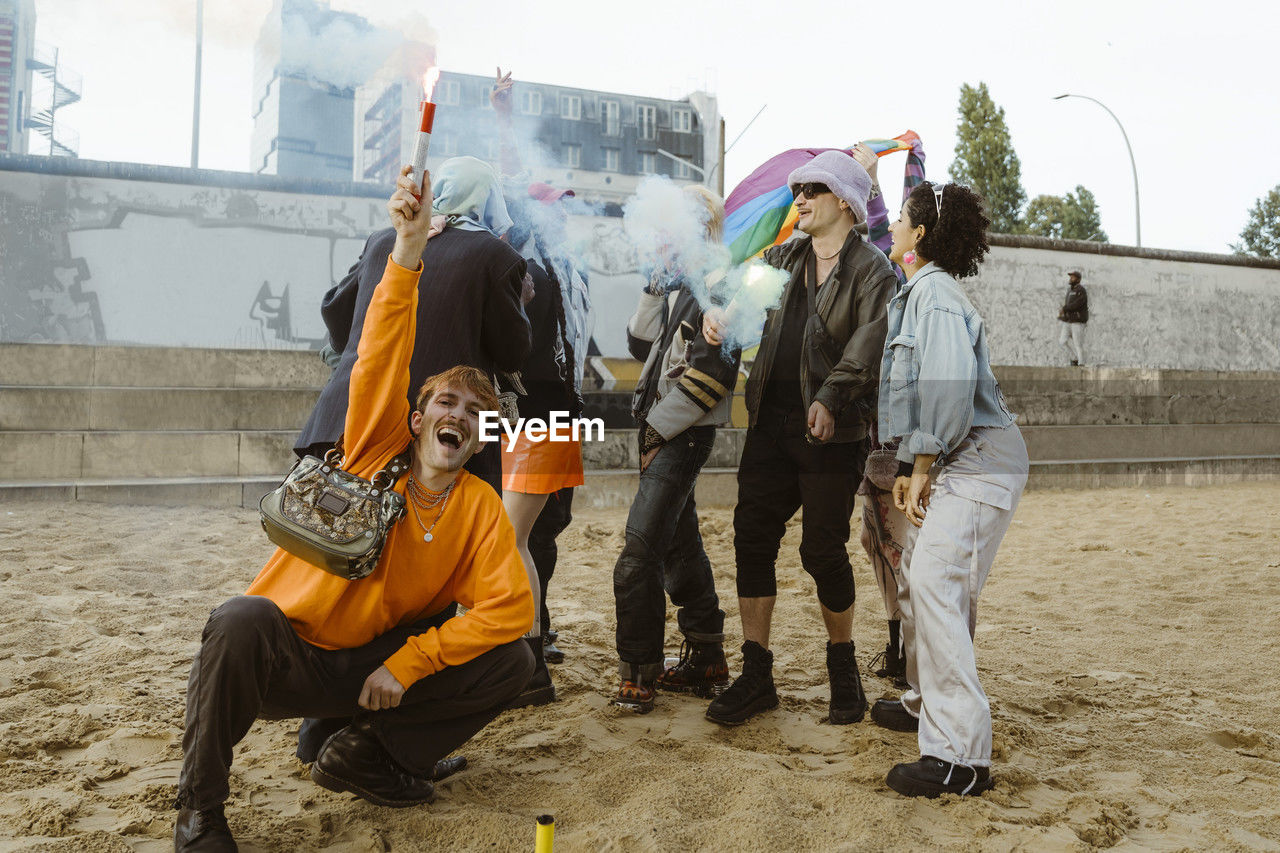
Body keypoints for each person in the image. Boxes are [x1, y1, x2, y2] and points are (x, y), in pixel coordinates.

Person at [174, 168, 535, 851]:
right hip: (294, 655)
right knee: (237, 618)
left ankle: (368, 749)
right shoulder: (373, 445)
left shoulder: (480, 505)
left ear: (483, 434)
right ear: (418, 415)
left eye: (474, 411)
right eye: (445, 404)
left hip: (371, 669)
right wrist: (406, 247)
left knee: (511, 659)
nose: (457, 415)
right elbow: (379, 344)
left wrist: (411, 662)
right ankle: (199, 809)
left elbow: (510, 611)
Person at [702, 150, 898, 727]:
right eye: (798, 190)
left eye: (814, 189)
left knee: (821, 550)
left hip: (832, 436)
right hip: (771, 421)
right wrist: (722, 318)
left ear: (845, 202)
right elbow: (745, 302)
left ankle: (843, 666)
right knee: (751, 539)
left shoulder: (873, 271)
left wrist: (831, 399)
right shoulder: (785, 254)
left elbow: (869, 345)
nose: (800, 198)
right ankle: (756, 673)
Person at [868, 180, 1029, 799]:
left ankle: (961, 758)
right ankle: (922, 700)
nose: (892, 229)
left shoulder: (933, 295)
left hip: (979, 461)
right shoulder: (922, 291)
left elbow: (946, 386)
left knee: (936, 582)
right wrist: (917, 464)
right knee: (923, 574)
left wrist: (922, 466)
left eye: (900, 220)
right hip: (969, 459)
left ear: (922, 233)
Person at [295, 156, 532, 493]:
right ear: (489, 200)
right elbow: (513, 353)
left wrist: (351, 353)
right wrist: (519, 303)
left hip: (347, 421)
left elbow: (335, 311)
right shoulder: (497, 256)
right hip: (432, 436)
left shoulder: (384, 239)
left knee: (328, 536)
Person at [612, 185, 740, 714]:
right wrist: (652, 285)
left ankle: (638, 671)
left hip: (677, 433)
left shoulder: (717, 281)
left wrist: (656, 434)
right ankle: (706, 653)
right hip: (667, 430)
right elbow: (640, 346)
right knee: (678, 548)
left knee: (637, 557)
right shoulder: (686, 280)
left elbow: (714, 373)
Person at [1057, 270, 1088, 365]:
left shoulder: (1081, 290)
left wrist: (1065, 308)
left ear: (1078, 279)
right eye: (1070, 277)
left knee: (1078, 344)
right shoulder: (1069, 290)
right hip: (1068, 321)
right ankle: (1074, 358)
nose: (1070, 278)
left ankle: (1081, 364)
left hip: (1077, 321)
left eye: (1073, 277)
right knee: (1062, 341)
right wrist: (1063, 315)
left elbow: (1076, 304)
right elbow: (1068, 305)